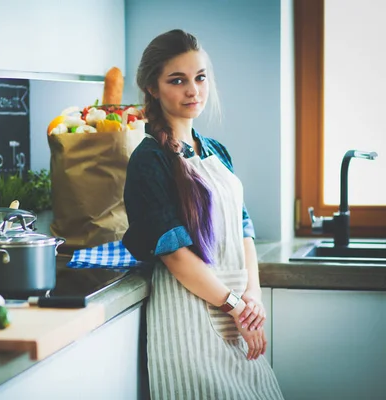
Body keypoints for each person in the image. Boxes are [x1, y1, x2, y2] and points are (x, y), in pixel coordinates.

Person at [122, 29, 284, 399]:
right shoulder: (149, 160)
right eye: (177, 80)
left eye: (200, 78)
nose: (192, 90)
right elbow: (176, 256)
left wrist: (252, 299)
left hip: (238, 315)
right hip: (189, 319)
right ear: (152, 87)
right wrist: (236, 305)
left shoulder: (215, 151)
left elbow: (244, 229)